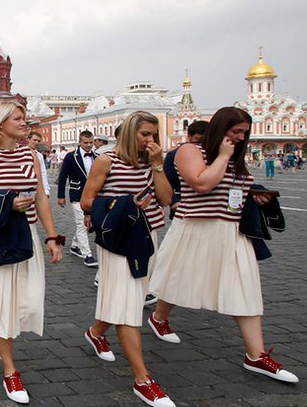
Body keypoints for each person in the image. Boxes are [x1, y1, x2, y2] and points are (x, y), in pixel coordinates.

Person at [149, 107, 299, 384]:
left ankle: (256, 354)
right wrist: (224, 155)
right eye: (235, 132)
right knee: (177, 280)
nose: (241, 138)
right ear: (220, 129)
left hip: (231, 232)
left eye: (244, 133)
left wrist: (257, 197)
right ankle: (159, 317)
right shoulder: (189, 151)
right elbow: (202, 183)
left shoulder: (236, 159)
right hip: (195, 228)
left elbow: (234, 191)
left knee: (245, 287)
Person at [0, 100, 63, 404]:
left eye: (23, 117)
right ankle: (10, 370)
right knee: (4, 305)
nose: (24, 122)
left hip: (26, 235)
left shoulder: (30, 154)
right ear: (1, 123)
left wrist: (52, 236)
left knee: (29, 302)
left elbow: (42, 197)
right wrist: (6, 201)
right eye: (18, 118)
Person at [79, 112, 175, 407]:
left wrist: (158, 166)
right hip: (119, 238)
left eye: (154, 135)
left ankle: (95, 333)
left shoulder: (153, 162)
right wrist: (126, 203)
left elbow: (166, 199)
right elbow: (87, 200)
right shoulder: (107, 160)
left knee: (128, 298)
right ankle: (143, 380)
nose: (151, 140)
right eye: (145, 134)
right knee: (127, 306)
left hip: (148, 237)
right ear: (130, 133)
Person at [56, 130, 99, 268]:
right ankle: (87, 254)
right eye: (85, 143)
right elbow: (63, 177)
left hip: (93, 195)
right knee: (82, 223)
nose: (88, 145)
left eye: (91, 142)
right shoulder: (70, 156)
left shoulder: (97, 156)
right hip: (77, 193)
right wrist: (61, 195)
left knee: (87, 222)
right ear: (79, 142)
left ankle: (75, 245)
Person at [163, 120, 208, 208]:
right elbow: (167, 180)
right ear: (189, 137)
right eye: (197, 140)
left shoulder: (212, 155)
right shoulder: (173, 155)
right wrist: (174, 201)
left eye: (205, 140)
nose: (200, 144)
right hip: (182, 205)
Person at [26, 130, 51, 197]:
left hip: (37, 186)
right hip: (24, 186)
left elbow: (43, 172)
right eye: (34, 140)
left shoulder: (39, 155)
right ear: (28, 139)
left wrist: (46, 190)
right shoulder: (22, 152)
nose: (36, 142)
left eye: (38, 141)